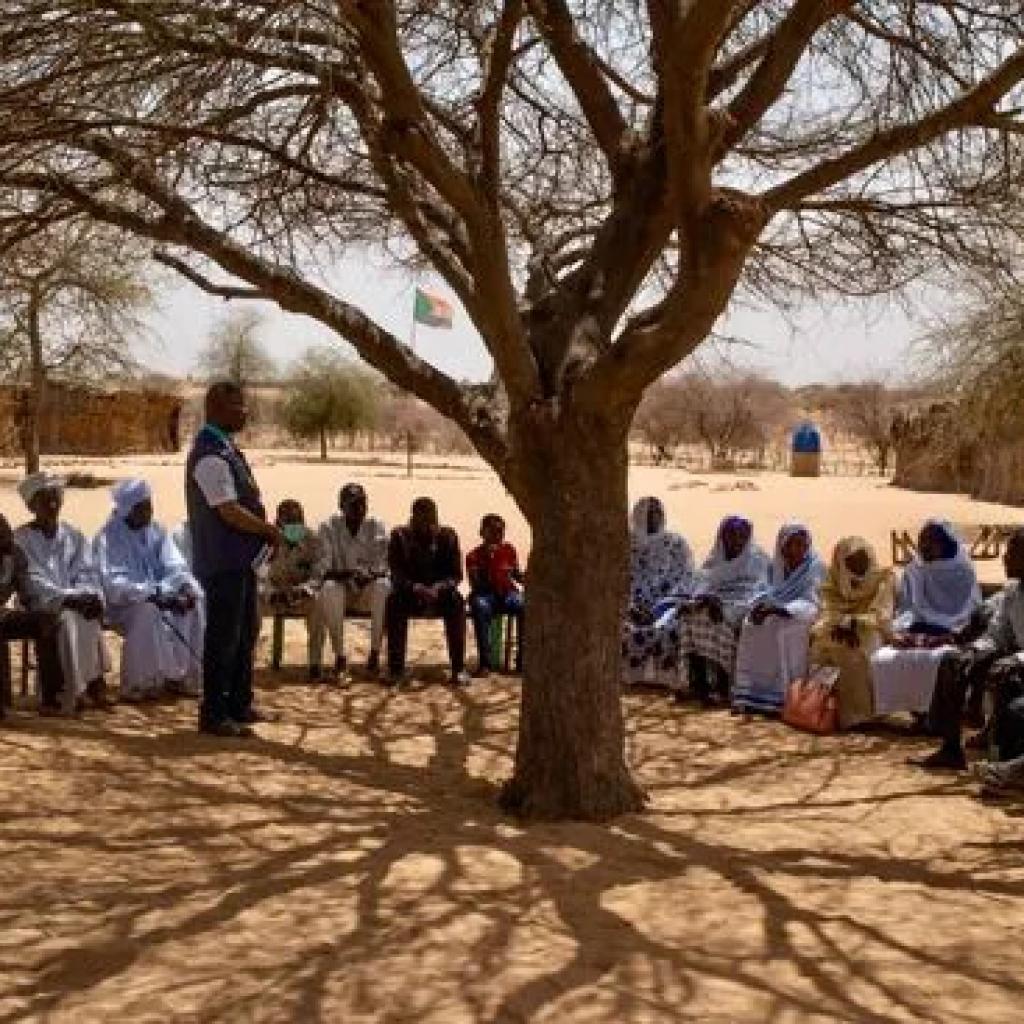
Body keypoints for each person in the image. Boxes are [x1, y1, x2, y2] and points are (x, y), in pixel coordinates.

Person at [187, 381, 281, 737]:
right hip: (223, 561)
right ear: (215, 409)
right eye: (237, 406)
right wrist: (267, 530)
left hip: (240, 562)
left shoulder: (225, 449)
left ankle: (240, 704)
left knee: (244, 633)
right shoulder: (209, 454)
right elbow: (228, 510)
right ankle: (214, 712)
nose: (244, 412)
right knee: (224, 637)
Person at [915, 528, 1024, 771]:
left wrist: (1017, 660)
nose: (1005, 558)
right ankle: (951, 748)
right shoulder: (1013, 592)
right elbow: (998, 632)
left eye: (1013, 553)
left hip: (1018, 664)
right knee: (952, 662)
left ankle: (1001, 758)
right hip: (1011, 659)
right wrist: (975, 651)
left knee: (1006, 675)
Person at [95, 479, 205, 702]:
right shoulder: (108, 538)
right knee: (147, 611)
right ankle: (139, 683)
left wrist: (182, 587)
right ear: (127, 509)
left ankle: (181, 676)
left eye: (149, 505)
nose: (148, 512)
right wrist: (154, 594)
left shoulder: (156, 531)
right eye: (142, 507)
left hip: (159, 595)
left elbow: (174, 565)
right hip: (122, 605)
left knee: (195, 601)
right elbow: (114, 583)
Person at [14, 472, 111, 714]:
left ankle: (91, 685)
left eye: (55, 498)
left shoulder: (72, 535)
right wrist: (67, 598)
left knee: (88, 616)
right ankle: (68, 691)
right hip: (39, 603)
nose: (52, 505)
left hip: (73, 600)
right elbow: (32, 581)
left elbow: (87, 570)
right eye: (45, 499)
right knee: (66, 620)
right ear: (32, 505)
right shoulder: (21, 539)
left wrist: (86, 594)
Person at [869, 520, 981, 722]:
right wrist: (901, 633)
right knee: (885, 658)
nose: (924, 546)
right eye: (922, 540)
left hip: (954, 632)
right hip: (918, 628)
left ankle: (939, 716)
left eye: (931, 541)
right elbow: (909, 609)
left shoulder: (964, 572)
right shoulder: (916, 569)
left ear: (945, 544)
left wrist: (951, 633)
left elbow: (970, 612)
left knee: (940, 660)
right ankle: (916, 713)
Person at [667, 516, 770, 705]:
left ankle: (722, 687)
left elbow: (760, 594)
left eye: (741, 536)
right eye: (731, 535)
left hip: (741, 606)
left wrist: (725, 607)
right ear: (722, 537)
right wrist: (700, 600)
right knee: (690, 618)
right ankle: (697, 683)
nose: (736, 540)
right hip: (715, 602)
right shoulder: (716, 558)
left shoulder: (759, 560)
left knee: (719, 622)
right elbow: (701, 583)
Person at [732, 523, 826, 715]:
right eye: (790, 545)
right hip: (775, 609)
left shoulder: (815, 566)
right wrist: (758, 606)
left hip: (802, 615)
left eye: (800, 545)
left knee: (779, 629)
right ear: (781, 546)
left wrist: (782, 609)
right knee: (750, 625)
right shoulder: (774, 566)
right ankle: (750, 693)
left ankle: (783, 695)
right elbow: (761, 590)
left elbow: (812, 601)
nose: (795, 550)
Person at [809, 537, 896, 729]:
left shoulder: (883, 578)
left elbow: (881, 615)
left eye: (862, 558)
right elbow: (827, 609)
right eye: (851, 560)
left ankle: (861, 715)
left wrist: (853, 622)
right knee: (822, 645)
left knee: (856, 651)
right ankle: (825, 710)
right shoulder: (833, 580)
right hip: (839, 627)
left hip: (872, 629)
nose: (858, 564)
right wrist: (839, 624)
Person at [385, 497, 467, 686]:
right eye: (422, 520)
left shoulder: (448, 537)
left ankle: (458, 668)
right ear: (413, 519)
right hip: (411, 593)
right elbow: (396, 574)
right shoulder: (399, 536)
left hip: (440, 594)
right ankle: (395, 669)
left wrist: (439, 587)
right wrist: (415, 587)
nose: (427, 526)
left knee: (457, 601)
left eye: (431, 521)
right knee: (394, 602)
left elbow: (456, 575)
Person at [620, 497, 695, 687]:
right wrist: (629, 606)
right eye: (650, 514)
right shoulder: (623, 545)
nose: (655, 519)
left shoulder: (676, 543)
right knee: (624, 627)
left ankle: (662, 678)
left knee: (668, 628)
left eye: (658, 514)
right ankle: (632, 676)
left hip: (666, 606)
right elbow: (615, 582)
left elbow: (685, 579)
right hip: (629, 607)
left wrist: (664, 606)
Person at [315, 483, 389, 677]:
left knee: (383, 586)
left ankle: (374, 654)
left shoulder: (375, 525)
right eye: (354, 504)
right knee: (330, 588)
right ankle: (340, 657)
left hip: (367, 592)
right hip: (342, 593)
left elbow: (384, 563)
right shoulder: (328, 527)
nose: (360, 509)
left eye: (363, 504)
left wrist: (369, 575)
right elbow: (323, 569)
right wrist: (349, 575)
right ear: (341, 506)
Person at [0, 512, 64, 717]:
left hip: (4, 615)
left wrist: (39, 612)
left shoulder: (15, 555)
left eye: (7, 534)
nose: (6, 539)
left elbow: (26, 592)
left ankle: (51, 698)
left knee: (46, 623)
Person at [262, 499, 325, 679]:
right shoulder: (267, 542)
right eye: (289, 522)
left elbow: (320, 572)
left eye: (298, 521)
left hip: (300, 596)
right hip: (273, 596)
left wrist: (303, 589)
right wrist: (272, 593)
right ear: (279, 522)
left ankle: (315, 664)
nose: (294, 527)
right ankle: (246, 663)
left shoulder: (312, 540)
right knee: (252, 604)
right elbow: (258, 574)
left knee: (319, 603)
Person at [466, 513, 524, 676]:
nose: (497, 536)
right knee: (479, 606)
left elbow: (516, 574)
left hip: (507, 594)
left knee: (525, 606)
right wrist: (491, 562)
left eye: (500, 532)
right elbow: (476, 584)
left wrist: (526, 578)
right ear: (482, 533)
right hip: (486, 595)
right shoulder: (473, 556)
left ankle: (522, 660)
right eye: (492, 532)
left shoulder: (509, 550)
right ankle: (486, 663)